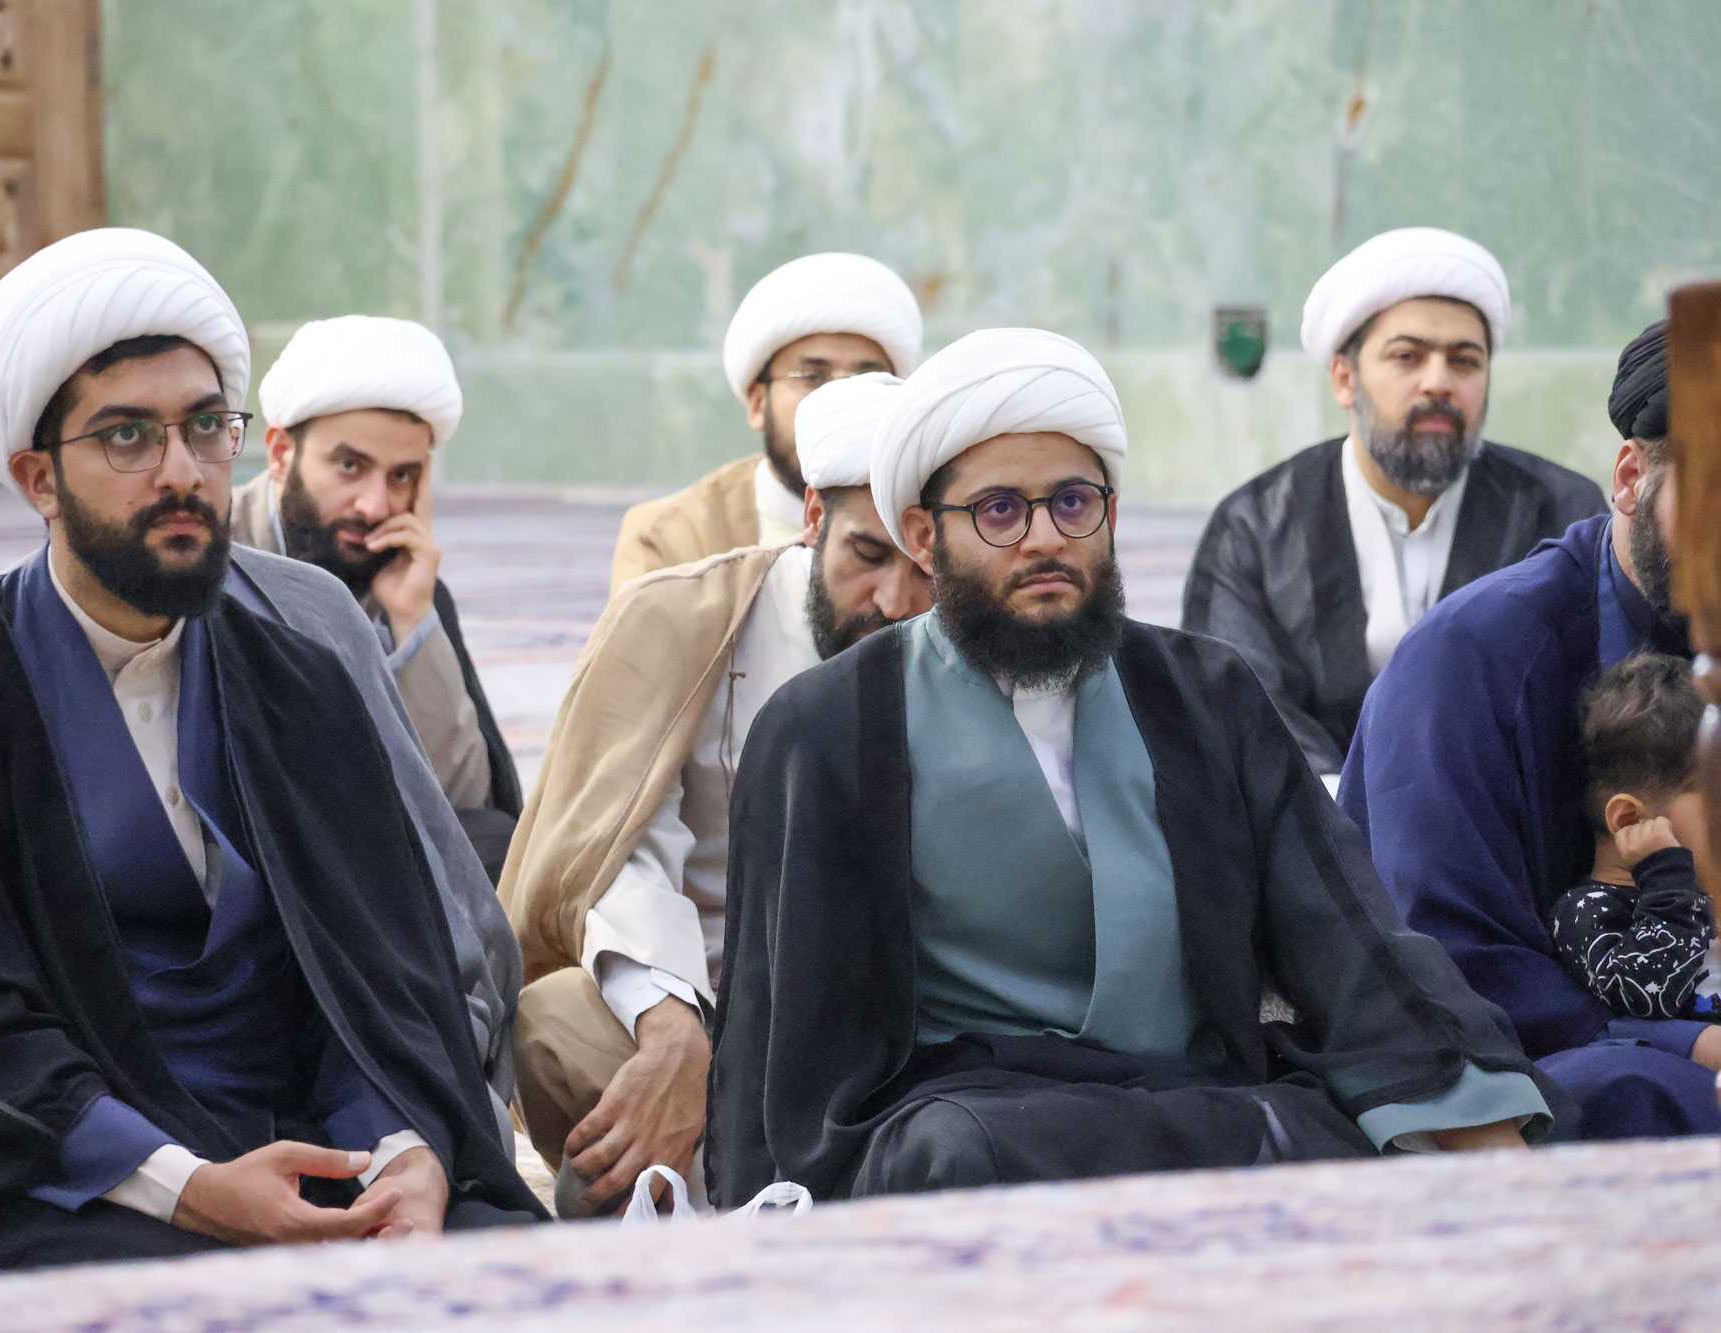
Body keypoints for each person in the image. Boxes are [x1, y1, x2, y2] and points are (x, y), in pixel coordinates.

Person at [0, 228, 543, 1284]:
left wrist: (402, 1151)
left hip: (306, 1150)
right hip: (61, 1179)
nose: (183, 472)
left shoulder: (297, 679)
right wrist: (187, 1185)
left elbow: (374, 976)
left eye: (203, 427)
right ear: (38, 478)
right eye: (128, 437)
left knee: (512, 1275)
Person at [707, 328, 1557, 1208]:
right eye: (999, 510)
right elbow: (783, 1034)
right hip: (981, 1116)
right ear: (924, 536)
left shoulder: (1207, 693)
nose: (1045, 538)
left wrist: (1467, 1109)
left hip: (1197, 1096)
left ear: (1109, 515)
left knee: (1356, 1132)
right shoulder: (827, 726)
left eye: (1074, 503)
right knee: (953, 1155)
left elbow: (1348, 932)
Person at [505, 371, 932, 1215]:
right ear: (813, 516)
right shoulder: (686, 617)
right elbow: (619, 855)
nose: (895, 600)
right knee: (550, 1023)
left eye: (923, 567)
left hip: (890, 1026)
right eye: (867, 555)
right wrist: (673, 1026)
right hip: (698, 989)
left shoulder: (960, 644)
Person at [1341, 319, 1720, 1139]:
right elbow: (1453, 963)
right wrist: (1692, 1044)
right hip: (1506, 1064)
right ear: (1632, 478)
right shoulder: (1469, 662)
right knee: (1627, 1090)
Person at [1184, 228, 1605, 786]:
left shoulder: (1563, 514)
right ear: (1345, 378)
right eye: (1407, 356)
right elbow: (1235, 710)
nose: (1439, 383)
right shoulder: (1255, 529)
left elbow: (1598, 700)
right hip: (1307, 827)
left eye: (1465, 361)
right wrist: (1348, 818)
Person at [232, 316, 521, 882]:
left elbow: (469, 812)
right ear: (281, 453)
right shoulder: (210, 562)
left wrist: (412, 618)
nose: (374, 505)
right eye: (350, 466)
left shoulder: (406, 583)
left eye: (401, 476)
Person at [608, 252, 922, 590]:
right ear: (758, 404)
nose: (840, 400)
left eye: (867, 378)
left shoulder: (929, 524)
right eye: (812, 377)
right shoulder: (672, 537)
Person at [1548, 654, 1718, 1024]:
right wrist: (1668, 884)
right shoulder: (1585, 910)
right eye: (1713, 796)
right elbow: (1644, 994)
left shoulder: (1709, 890)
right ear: (1629, 820)